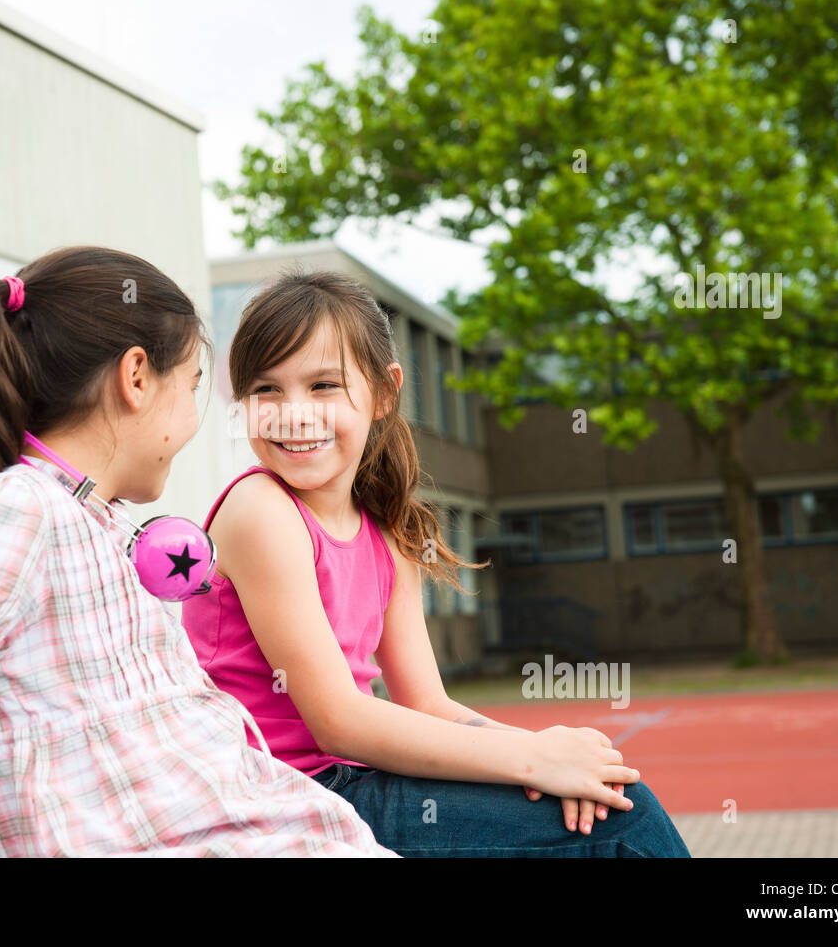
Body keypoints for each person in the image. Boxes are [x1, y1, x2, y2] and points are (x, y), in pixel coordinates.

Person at [0, 246, 397, 857]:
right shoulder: (13, 509)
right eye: (190, 387)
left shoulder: (102, 525)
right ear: (136, 379)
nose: (193, 419)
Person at [181, 268, 690, 857]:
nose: (294, 413)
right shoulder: (260, 510)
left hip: (353, 780)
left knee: (609, 795)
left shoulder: (387, 531)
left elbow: (427, 704)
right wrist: (533, 761)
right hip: (282, 790)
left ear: (385, 392)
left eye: (323, 386)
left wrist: (551, 752)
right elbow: (339, 722)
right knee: (621, 821)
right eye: (267, 390)